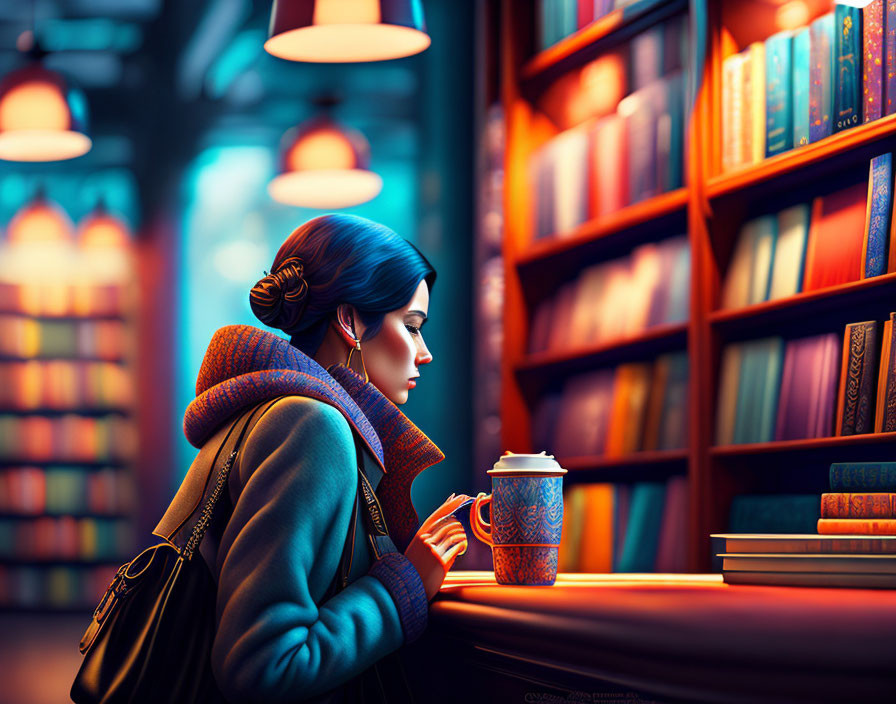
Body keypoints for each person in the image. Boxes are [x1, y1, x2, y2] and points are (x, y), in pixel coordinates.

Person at [153, 213, 471, 703]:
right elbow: (261, 665)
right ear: (349, 322)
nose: (423, 352)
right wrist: (400, 588)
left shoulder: (267, 410)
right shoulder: (311, 426)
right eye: (410, 326)